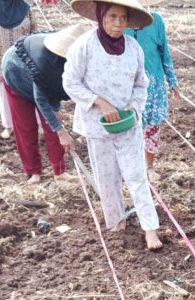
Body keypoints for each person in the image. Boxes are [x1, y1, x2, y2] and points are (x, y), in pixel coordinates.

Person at [64, 0, 163, 250]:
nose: (118, 23)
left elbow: (142, 84)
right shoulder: (84, 45)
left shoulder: (133, 48)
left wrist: (134, 107)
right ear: (100, 16)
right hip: (97, 126)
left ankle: (150, 229)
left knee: (137, 175)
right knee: (107, 178)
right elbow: (70, 82)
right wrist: (100, 103)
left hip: (128, 124)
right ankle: (116, 221)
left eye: (122, 18)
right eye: (112, 17)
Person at [1, 24, 88, 184]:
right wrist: (62, 133)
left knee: (54, 123)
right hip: (15, 71)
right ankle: (33, 171)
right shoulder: (44, 63)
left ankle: (59, 171)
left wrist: (58, 125)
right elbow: (41, 99)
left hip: (45, 79)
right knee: (26, 126)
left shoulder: (77, 58)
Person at [125, 1, 179, 182]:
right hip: (127, 86)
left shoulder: (156, 21)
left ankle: (148, 167)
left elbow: (165, 52)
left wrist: (172, 81)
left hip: (154, 84)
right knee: (130, 127)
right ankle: (131, 167)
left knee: (152, 127)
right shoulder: (120, 21)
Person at [0, 0, 35, 139]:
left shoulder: (25, 8)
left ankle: (32, 125)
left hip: (23, 61)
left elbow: (34, 34)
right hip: (0, 61)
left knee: (27, 93)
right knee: (4, 95)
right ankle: (9, 125)